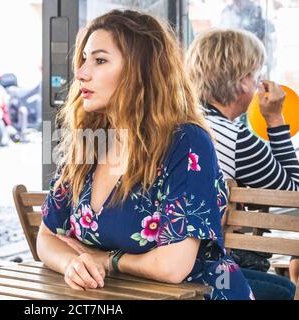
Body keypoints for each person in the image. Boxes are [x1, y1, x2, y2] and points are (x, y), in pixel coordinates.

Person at [37, 9, 254, 300]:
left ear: (141, 71)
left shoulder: (186, 142)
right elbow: (48, 237)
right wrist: (73, 263)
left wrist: (106, 260)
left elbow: (172, 267)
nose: (81, 73)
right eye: (84, 59)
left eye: (99, 60)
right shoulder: (89, 142)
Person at [186, 28, 298, 299]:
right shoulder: (235, 138)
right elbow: (293, 193)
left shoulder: (176, 119)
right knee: (283, 289)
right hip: (196, 265)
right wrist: (274, 119)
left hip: (163, 253)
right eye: (256, 74)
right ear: (243, 81)